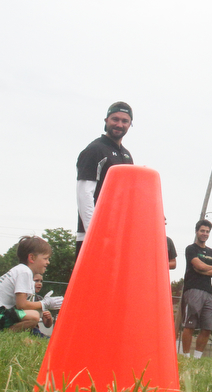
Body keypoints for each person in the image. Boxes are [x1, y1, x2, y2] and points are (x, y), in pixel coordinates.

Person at [76, 102, 134, 258]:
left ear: (130, 124)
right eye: (115, 119)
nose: (119, 124)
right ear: (106, 120)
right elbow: (84, 194)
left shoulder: (126, 155)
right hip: (93, 236)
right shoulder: (95, 149)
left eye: (125, 121)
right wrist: (93, 233)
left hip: (117, 236)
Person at [0, 237, 63, 332]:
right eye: (45, 258)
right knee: (33, 316)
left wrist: (42, 308)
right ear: (31, 258)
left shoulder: (21, 270)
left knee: (35, 313)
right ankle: (5, 334)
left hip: (3, 312)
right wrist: (45, 303)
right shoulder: (24, 272)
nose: (48, 262)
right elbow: (21, 305)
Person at [180, 220, 212, 358]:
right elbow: (199, 265)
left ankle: (197, 357)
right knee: (190, 324)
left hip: (208, 292)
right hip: (193, 290)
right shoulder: (191, 249)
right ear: (197, 231)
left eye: (207, 231)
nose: (205, 234)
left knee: (207, 328)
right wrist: (210, 268)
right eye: (202, 231)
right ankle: (186, 356)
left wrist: (204, 270)